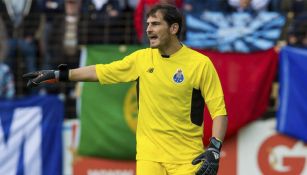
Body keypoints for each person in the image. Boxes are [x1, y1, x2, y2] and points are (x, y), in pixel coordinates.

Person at [23, 4, 228, 175]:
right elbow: (101, 71)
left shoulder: (200, 64)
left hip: (187, 158)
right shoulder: (141, 58)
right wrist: (59, 75)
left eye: (155, 24)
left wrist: (215, 148)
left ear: (174, 29)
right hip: (150, 156)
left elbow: (219, 111)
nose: (148, 29)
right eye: (148, 24)